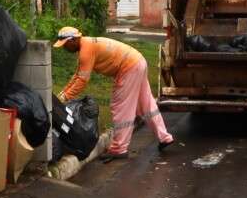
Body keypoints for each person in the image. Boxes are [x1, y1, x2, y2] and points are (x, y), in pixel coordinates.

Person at [54, 27, 174, 162]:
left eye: (65, 44)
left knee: (121, 107)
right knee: (146, 104)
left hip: (129, 68)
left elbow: (82, 80)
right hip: (138, 62)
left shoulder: (86, 50)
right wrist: (63, 93)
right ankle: (165, 137)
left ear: (73, 40)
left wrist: (65, 97)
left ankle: (119, 148)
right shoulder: (87, 45)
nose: (65, 48)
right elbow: (78, 75)